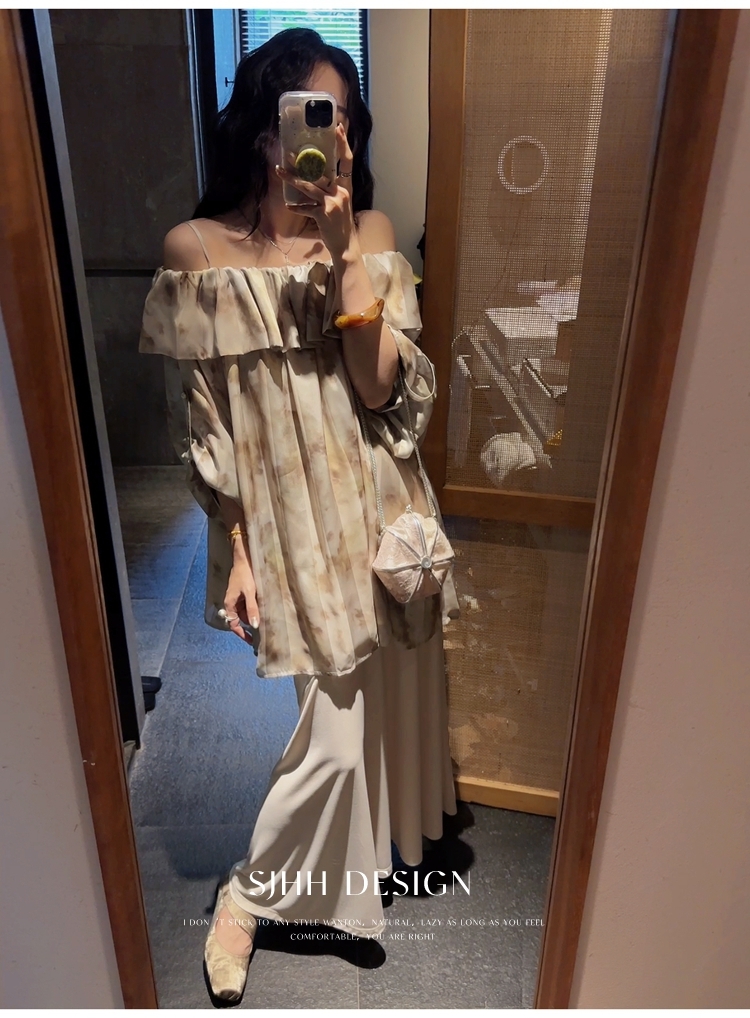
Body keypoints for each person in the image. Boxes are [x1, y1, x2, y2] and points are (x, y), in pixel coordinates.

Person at [139, 28, 460, 1003]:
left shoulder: (369, 233)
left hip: (374, 508)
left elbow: (383, 392)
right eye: (307, 117)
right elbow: (209, 428)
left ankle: (334, 872)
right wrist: (236, 547)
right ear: (263, 126)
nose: (326, 137)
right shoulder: (198, 250)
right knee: (332, 730)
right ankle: (249, 898)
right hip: (282, 523)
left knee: (363, 705)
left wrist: (344, 249)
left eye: (341, 120)